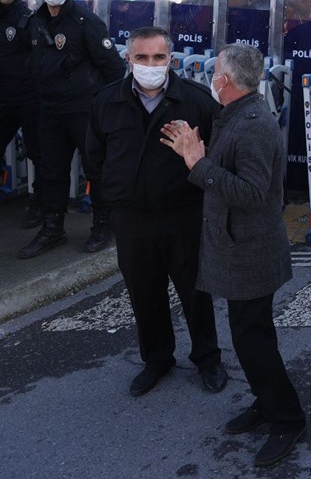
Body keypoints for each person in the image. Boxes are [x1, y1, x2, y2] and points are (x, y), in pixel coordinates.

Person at [160, 43, 307, 468]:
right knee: (252, 335)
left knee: (252, 339)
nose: (211, 78)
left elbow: (252, 193)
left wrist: (197, 163)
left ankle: (288, 418)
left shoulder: (253, 124)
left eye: (215, 72)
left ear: (223, 79)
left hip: (252, 253)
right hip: (241, 248)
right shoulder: (237, 114)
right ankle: (266, 400)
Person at [85, 27, 226, 397]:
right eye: (142, 57)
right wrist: (115, 198)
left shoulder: (196, 100)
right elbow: (94, 157)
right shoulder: (106, 101)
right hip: (131, 217)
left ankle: (208, 358)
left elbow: (219, 155)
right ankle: (157, 359)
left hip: (184, 214)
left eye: (158, 57)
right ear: (128, 59)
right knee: (143, 292)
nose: (151, 64)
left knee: (195, 291)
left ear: (171, 59)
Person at [21, 0, 126, 259]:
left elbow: (113, 68)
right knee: (51, 170)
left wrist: (107, 108)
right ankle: (52, 229)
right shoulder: (35, 21)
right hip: (49, 108)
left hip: (84, 109)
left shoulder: (85, 20)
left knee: (96, 168)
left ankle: (103, 225)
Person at [0, 0, 42, 231]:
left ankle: (41, 204)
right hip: (2, 99)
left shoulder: (26, 21)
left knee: (38, 153)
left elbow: (39, 59)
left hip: (28, 99)